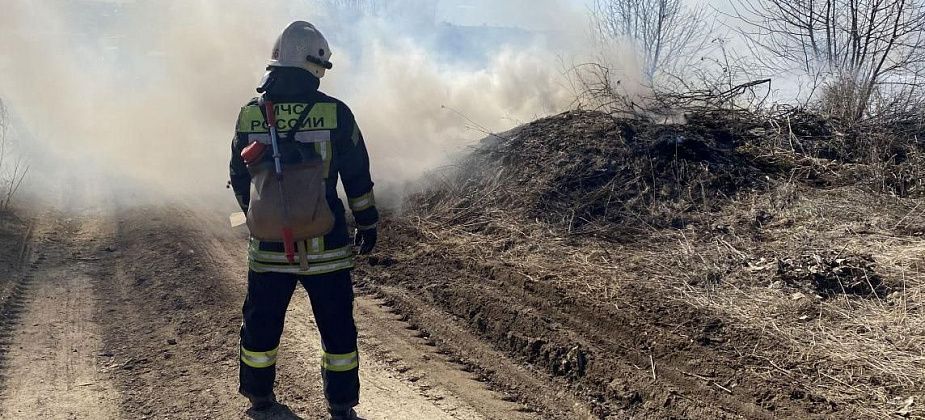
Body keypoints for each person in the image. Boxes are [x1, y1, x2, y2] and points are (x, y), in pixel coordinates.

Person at [228, 21, 378, 420]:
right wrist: (367, 222)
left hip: (269, 250)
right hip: (326, 247)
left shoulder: (250, 115)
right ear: (314, 64)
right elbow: (357, 176)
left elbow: (239, 178)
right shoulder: (336, 113)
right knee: (337, 328)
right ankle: (341, 406)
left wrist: (261, 217)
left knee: (261, 326)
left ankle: (259, 398)